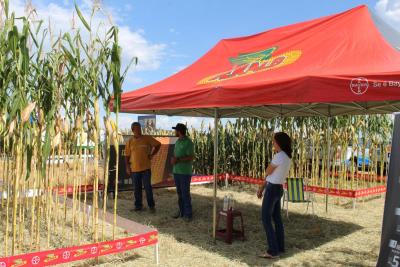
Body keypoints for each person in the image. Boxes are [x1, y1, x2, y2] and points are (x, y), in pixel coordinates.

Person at [257, 132, 292, 259]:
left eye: (274, 141)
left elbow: (268, 172)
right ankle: (280, 247)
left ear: (279, 143)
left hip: (272, 189)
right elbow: (271, 175)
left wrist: (262, 187)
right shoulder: (287, 157)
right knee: (277, 219)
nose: (273, 143)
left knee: (266, 218)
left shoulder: (279, 156)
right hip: (278, 188)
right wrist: (262, 187)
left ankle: (273, 251)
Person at [125, 122, 161, 213]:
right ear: (133, 130)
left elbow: (158, 145)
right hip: (134, 169)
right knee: (137, 189)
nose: (139, 130)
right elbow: (127, 155)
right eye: (136, 129)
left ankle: (151, 206)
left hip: (146, 169)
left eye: (139, 128)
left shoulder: (147, 138)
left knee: (148, 188)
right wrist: (127, 167)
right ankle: (138, 206)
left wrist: (152, 154)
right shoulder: (130, 141)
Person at [170, 123, 195, 222]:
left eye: (175, 130)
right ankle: (181, 212)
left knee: (185, 194)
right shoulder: (178, 142)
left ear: (179, 131)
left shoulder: (188, 142)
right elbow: (176, 156)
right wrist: (174, 160)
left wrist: (178, 160)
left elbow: (191, 157)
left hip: (184, 173)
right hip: (176, 171)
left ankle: (188, 214)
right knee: (180, 193)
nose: (174, 132)